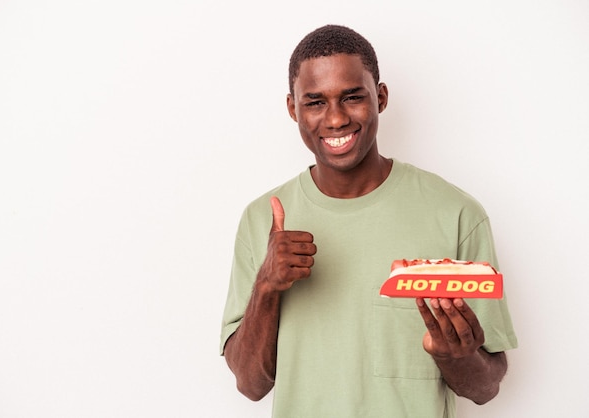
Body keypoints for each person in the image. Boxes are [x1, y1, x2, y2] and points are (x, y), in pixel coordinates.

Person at [220, 24, 517, 417]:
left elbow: (486, 387)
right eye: (315, 102)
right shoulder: (262, 219)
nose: (336, 119)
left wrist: (455, 356)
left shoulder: (457, 213)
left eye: (352, 97)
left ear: (380, 97)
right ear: (293, 108)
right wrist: (267, 286)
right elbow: (250, 384)